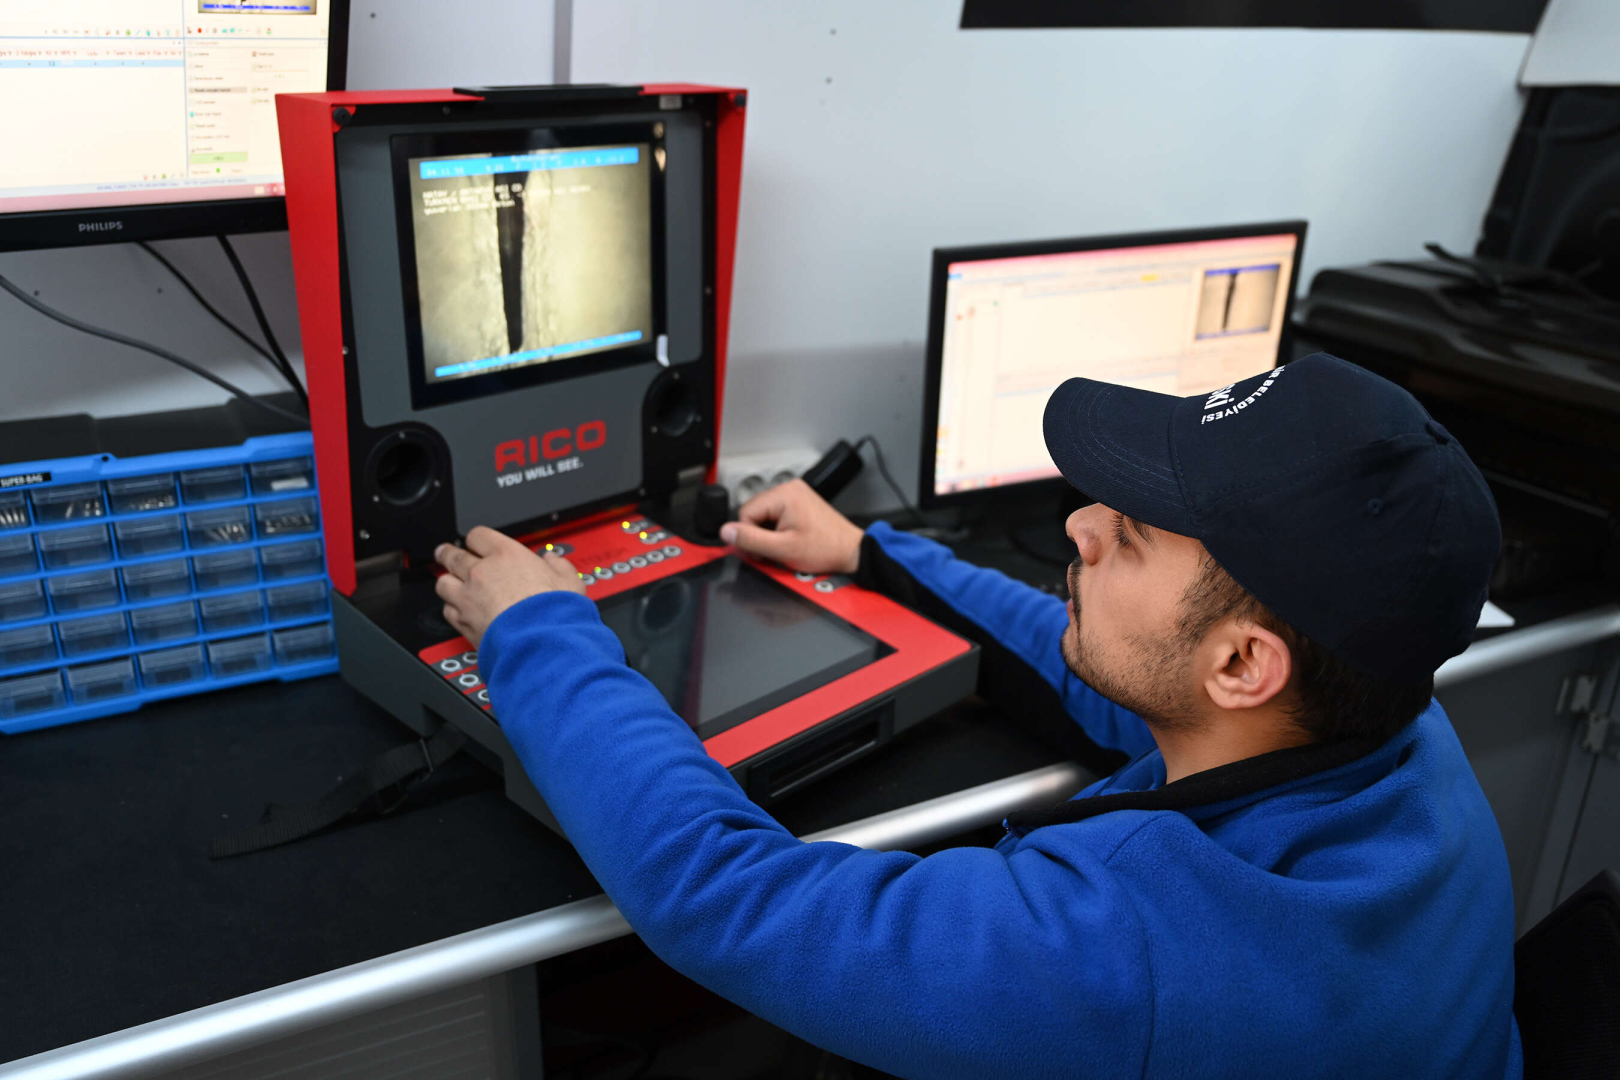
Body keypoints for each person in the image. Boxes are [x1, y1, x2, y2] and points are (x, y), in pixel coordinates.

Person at [433, 353, 1520, 1079]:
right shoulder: (1396, 732)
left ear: (1243, 664)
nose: (1082, 525)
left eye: (1134, 536)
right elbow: (1098, 670)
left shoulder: (1124, 959)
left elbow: (723, 894)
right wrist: (872, 554)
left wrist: (541, 633)